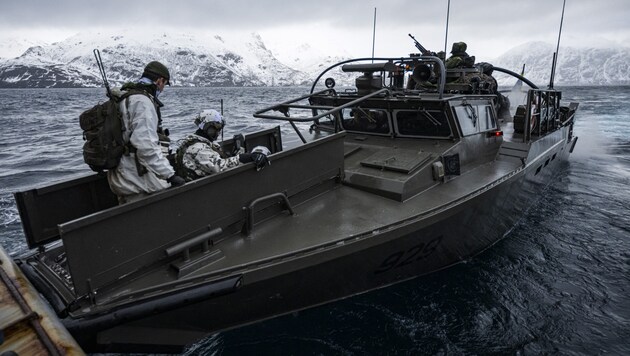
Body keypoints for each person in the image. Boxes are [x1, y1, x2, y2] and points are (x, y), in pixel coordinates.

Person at [107, 61, 186, 204]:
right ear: (160, 80)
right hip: (137, 179)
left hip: (120, 175)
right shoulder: (142, 102)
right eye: (164, 84)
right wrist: (170, 175)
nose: (162, 89)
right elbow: (145, 145)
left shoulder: (124, 97)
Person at [173, 109, 270, 181]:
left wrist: (236, 151)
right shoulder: (197, 148)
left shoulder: (201, 142)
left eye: (220, 128)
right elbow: (220, 167)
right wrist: (244, 158)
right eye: (216, 128)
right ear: (206, 127)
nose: (219, 132)